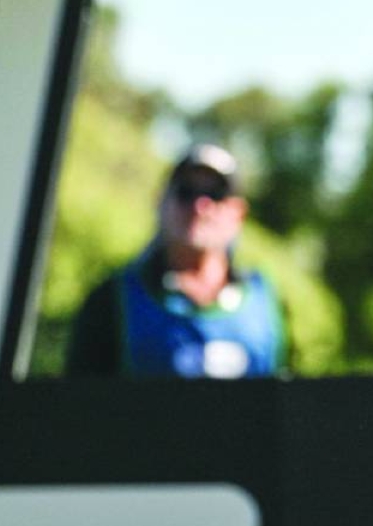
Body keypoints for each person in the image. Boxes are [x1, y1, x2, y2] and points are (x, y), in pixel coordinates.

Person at [65, 143, 289, 379]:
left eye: (216, 194)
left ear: (238, 213)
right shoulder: (113, 301)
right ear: (160, 201)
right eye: (186, 192)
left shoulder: (268, 303)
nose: (200, 207)